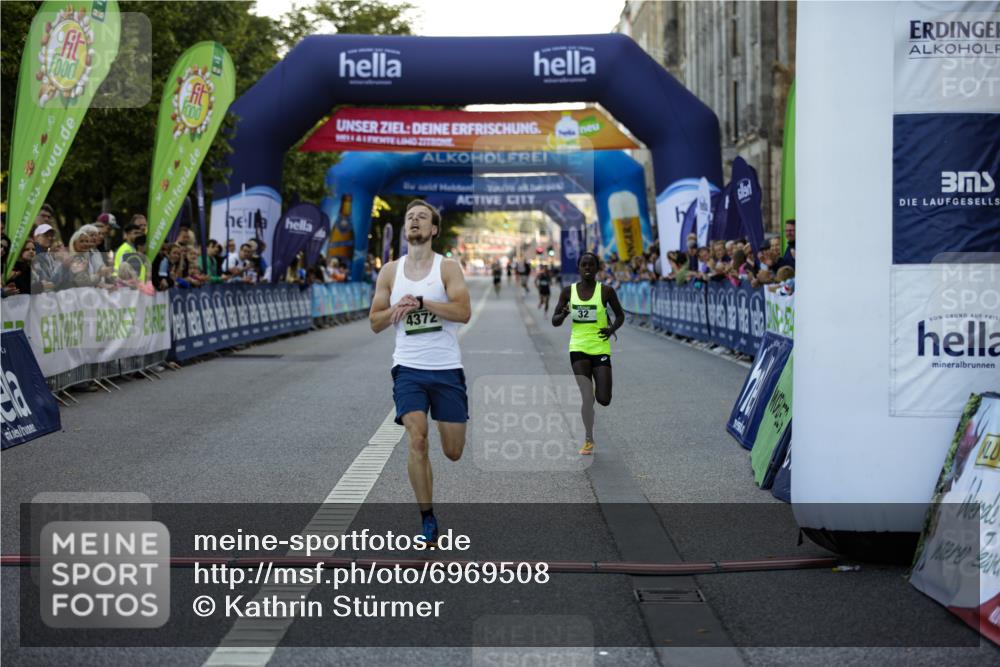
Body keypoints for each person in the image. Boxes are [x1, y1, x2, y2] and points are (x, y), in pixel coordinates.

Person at [369, 199, 471, 547]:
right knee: (417, 438)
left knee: (453, 451)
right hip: (408, 368)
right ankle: (427, 517)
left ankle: (430, 504)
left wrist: (424, 303)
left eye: (422, 217)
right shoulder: (389, 271)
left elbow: (463, 312)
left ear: (434, 229)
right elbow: (374, 323)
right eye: (410, 217)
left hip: (446, 369)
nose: (414, 221)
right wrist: (397, 308)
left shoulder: (447, 268)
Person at [551, 252, 625, 455]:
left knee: (603, 398)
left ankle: (595, 392)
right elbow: (554, 321)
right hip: (578, 347)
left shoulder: (606, 291)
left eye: (591, 265)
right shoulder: (568, 292)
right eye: (584, 265)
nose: (587, 268)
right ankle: (588, 439)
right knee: (587, 397)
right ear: (578, 268)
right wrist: (564, 313)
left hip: (600, 347)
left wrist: (611, 330)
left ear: (597, 268)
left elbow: (620, 316)